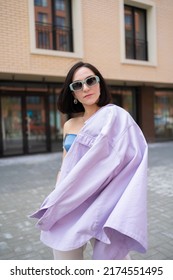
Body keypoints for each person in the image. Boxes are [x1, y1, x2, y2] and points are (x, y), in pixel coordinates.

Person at [30, 61, 148, 260]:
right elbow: (65, 165)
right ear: (73, 94)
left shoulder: (117, 117)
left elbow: (132, 161)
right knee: (64, 257)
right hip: (71, 201)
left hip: (104, 201)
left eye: (90, 81)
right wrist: (58, 194)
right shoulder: (69, 124)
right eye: (77, 85)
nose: (85, 88)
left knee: (115, 262)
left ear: (100, 83)